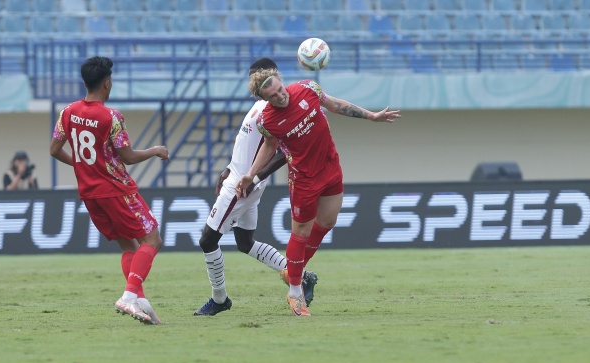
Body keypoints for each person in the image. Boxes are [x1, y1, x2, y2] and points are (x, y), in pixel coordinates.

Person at [237, 69, 402, 316]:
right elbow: (270, 147)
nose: (280, 96)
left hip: (330, 167)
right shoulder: (267, 121)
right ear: (266, 100)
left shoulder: (308, 88)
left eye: (280, 90)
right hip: (304, 179)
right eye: (273, 96)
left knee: (326, 222)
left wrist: (371, 116)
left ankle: (292, 270)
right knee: (300, 232)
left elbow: (335, 105)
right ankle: (295, 294)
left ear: (282, 83)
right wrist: (251, 173)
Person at [49, 56, 170, 325]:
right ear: (107, 83)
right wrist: (155, 151)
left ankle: (139, 299)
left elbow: (54, 150)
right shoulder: (112, 117)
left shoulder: (67, 112)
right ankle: (128, 296)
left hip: (90, 195)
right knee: (153, 241)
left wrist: (82, 165)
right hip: (117, 190)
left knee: (128, 245)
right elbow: (127, 157)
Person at [194, 58, 318, 316]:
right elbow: (248, 144)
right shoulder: (259, 106)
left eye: (261, 78)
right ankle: (301, 276)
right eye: (254, 80)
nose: (257, 83)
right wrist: (229, 167)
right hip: (239, 178)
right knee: (245, 242)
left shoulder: (275, 109)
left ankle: (220, 299)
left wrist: (256, 178)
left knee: (207, 240)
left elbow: (283, 152)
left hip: (242, 186)